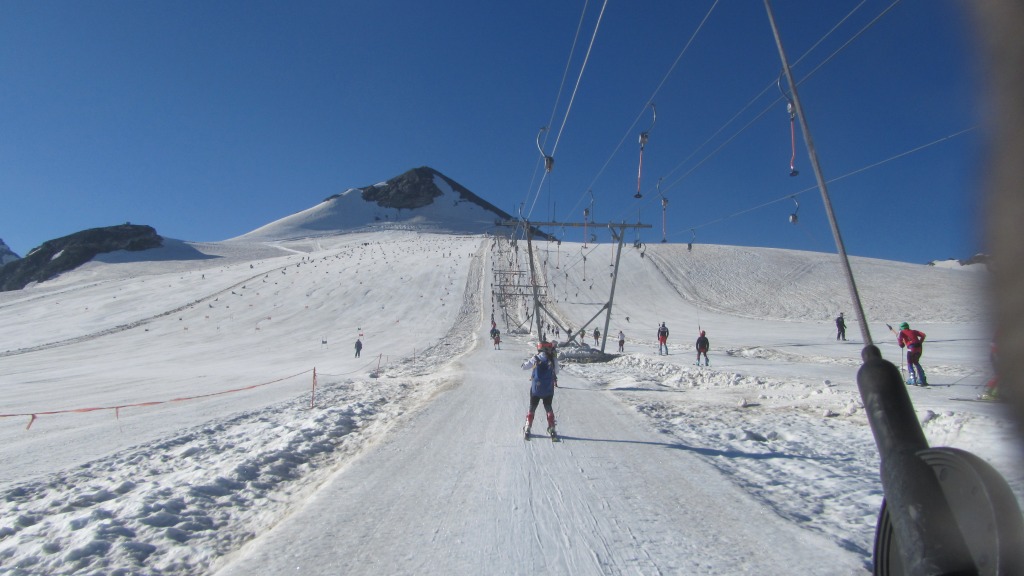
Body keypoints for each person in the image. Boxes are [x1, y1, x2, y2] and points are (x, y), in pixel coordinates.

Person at [522, 341, 559, 437]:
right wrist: (554, 358)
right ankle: (552, 427)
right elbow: (557, 371)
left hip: (536, 389)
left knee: (532, 407)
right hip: (548, 389)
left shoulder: (536, 358)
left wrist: (524, 364)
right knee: (548, 407)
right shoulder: (552, 359)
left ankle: (528, 427)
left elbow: (524, 367)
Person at [897, 322, 928, 386]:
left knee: (910, 363)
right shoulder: (913, 331)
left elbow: (900, 339)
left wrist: (901, 344)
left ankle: (912, 379)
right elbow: (923, 335)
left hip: (911, 349)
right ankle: (922, 379)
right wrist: (920, 342)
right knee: (916, 362)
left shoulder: (902, 332)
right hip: (919, 349)